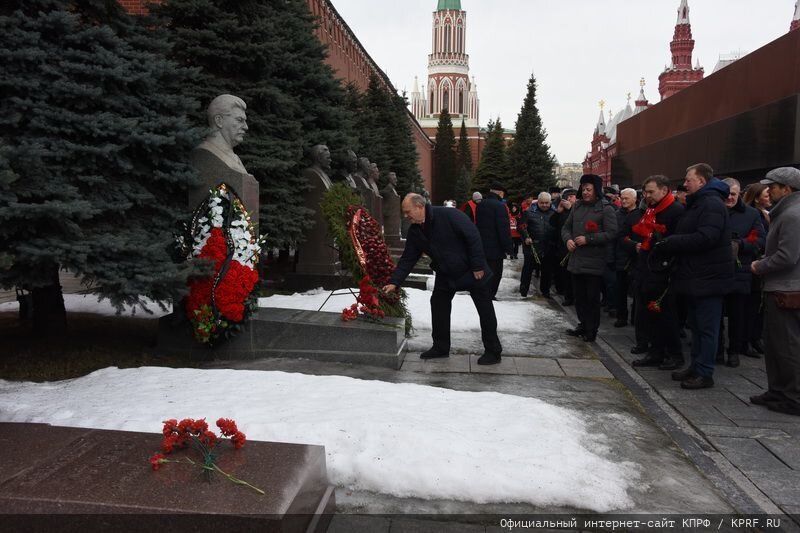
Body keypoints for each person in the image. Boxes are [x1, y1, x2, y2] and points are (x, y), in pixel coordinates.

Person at [384, 193, 503, 365]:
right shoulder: (416, 231)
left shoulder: (449, 215)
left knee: (485, 309)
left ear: (419, 206)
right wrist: (395, 282)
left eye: (407, 211)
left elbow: (473, 236)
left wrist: (477, 265)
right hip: (446, 273)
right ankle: (440, 347)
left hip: (472, 271)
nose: (406, 216)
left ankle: (493, 351)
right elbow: (408, 258)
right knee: (438, 304)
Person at [655, 163, 732, 389]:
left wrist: (671, 243)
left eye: (689, 179)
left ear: (702, 181)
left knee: (707, 329)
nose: (685, 183)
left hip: (709, 277)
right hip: (696, 276)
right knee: (696, 327)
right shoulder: (699, 203)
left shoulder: (711, 204)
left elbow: (706, 237)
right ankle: (695, 366)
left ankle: (704, 372)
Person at [750, 167, 800, 416]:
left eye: (773, 186)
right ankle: (778, 390)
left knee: (787, 345)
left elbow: (787, 256)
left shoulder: (792, 214)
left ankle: (792, 397)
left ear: (787, 189)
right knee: (775, 343)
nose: (768, 191)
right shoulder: (787, 212)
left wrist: (761, 265)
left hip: (787, 290)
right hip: (781, 287)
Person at [628, 175, 685, 370]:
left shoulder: (676, 211)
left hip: (664, 272)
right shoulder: (651, 210)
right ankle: (655, 352)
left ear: (664, 190)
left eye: (651, 192)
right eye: (645, 192)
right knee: (649, 315)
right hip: (647, 268)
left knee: (666, 315)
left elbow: (678, 242)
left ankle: (674, 354)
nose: (647, 196)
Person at [561, 174, 618, 342]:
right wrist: (568, 240)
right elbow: (566, 227)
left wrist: (589, 239)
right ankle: (583, 324)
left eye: (589, 189)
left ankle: (591, 329)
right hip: (576, 259)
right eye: (583, 189)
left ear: (596, 190)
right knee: (579, 297)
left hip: (594, 261)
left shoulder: (605, 208)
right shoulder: (577, 206)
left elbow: (612, 233)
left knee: (592, 298)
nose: (585, 192)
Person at [718, 178, 765, 367]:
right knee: (716, 314)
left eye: (733, 194)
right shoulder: (714, 211)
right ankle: (717, 349)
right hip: (716, 271)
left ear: (739, 195)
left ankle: (734, 350)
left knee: (738, 315)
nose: (730, 197)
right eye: (727, 194)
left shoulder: (751, 214)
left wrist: (741, 244)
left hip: (740, 271)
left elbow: (760, 240)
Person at [742, 182, 773, 355]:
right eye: (766, 195)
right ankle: (746, 339)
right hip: (753, 264)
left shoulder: (767, 215)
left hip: (764, 263)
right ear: (756, 198)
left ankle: (755, 337)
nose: (769, 197)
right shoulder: (754, 216)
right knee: (751, 304)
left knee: (758, 305)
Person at [476, 182, 513, 299]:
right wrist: (508, 248)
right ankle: (489, 295)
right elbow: (503, 229)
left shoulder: (481, 204)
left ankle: (484, 293)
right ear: (500, 193)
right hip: (496, 248)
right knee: (496, 273)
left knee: (486, 272)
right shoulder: (499, 206)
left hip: (482, 245)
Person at [196, 94, 249, 174]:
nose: (246, 127)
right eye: (239, 120)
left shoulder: (234, 158)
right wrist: (224, 187)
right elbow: (215, 186)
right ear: (219, 121)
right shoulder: (205, 154)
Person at [613, 188, 641, 328]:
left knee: (636, 290)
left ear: (635, 199)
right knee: (620, 290)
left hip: (636, 258)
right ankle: (621, 316)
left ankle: (636, 317)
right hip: (620, 257)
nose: (623, 201)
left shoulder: (641, 214)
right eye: (622, 198)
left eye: (627, 198)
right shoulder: (616, 215)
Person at [520, 192, 557, 298]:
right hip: (532, 246)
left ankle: (545, 291)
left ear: (550, 202)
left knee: (547, 270)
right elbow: (522, 226)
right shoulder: (529, 212)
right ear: (538, 202)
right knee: (528, 269)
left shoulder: (554, 212)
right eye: (542, 203)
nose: (545, 205)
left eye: (547, 203)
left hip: (548, 246)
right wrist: (526, 237)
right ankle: (524, 290)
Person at [551, 188, 577, 305]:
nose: (571, 199)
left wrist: (571, 209)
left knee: (573, 274)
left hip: (574, 246)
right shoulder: (561, 211)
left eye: (573, 196)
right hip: (561, 245)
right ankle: (567, 296)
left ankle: (574, 296)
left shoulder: (577, 210)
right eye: (569, 197)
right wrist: (558, 212)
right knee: (564, 273)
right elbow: (552, 223)